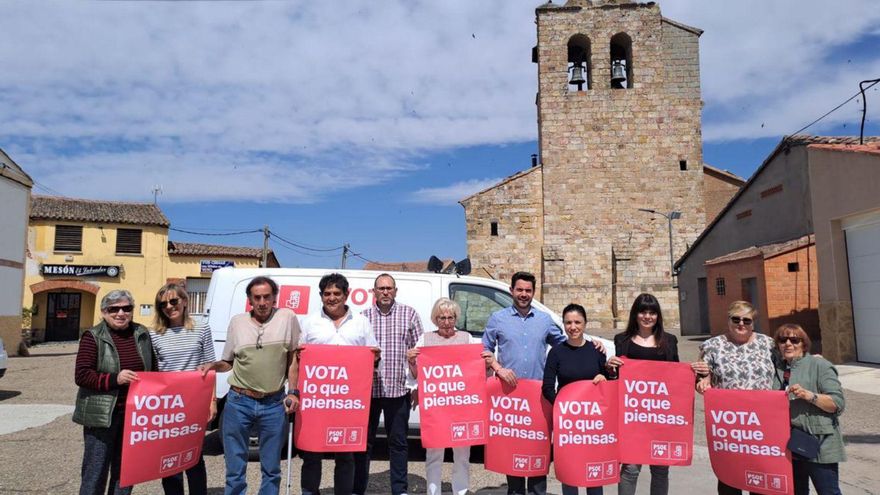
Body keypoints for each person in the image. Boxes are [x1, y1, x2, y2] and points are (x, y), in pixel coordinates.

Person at [483, 271, 604, 495]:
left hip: (538, 397)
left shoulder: (544, 320)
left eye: (528, 290)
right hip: (511, 397)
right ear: (511, 291)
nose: (523, 294)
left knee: (538, 453)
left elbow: (567, 343)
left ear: (533, 292)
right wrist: (498, 369)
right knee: (514, 456)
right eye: (519, 290)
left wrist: (592, 344)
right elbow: (484, 351)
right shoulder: (497, 319)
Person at [198, 276, 301, 495]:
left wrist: (293, 392)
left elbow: (293, 358)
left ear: (274, 298)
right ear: (250, 300)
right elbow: (228, 363)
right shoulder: (237, 322)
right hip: (239, 402)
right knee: (235, 468)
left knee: (272, 468)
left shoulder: (288, 317)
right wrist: (213, 365)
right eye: (257, 297)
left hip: (274, 403)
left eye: (267, 297)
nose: (262, 302)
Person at [298, 273, 380, 495]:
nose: (332, 298)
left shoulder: (361, 323)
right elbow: (298, 359)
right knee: (312, 454)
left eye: (336, 293)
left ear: (347, 295)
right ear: (321, 296)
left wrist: (374, 356)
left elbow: (373, 357)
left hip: (348, 403)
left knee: (346, 456)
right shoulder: (309, 323)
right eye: (327, 294)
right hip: (317, 401)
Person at [406, 298, 496, 495]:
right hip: (436, 408)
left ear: (456, 318)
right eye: (442, 318)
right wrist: (412, 361)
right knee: (434, 454)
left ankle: (461, 491)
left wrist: (488, 362)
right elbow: (415, 374)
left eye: (450, 317)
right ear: (435, 319)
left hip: (462, 408)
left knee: (462, 455)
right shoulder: (425, 339)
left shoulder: (468, 339)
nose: (446, 322)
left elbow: (480, 371)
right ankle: (433, 492)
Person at [74, 290, 155, 495]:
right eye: (114, 309)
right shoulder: (93, 336)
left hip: (134, 416)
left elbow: (153, 369)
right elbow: (82, 375)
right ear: (104, 312)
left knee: (125, 472)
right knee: (96, 470)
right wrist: (114, 379)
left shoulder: (142, 333)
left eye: (126, 308)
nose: (121, 313)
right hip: (102, 417)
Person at [694, 300, 775, 495]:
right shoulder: (713, 345)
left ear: (753, 323)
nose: (741, 324)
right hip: (730, 424)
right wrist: (702, 381)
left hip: (762, 423)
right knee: (730, 478)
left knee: (761, 477)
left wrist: (812, 358)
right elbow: (701, 376)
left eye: (747, 320)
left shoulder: (768, 344)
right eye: (736, 319)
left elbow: (789, 365)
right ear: (728, 320)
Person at [355, 273, 424, 495]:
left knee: (399, 444)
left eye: (389, 288)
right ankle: (358, 489)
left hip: (399, 390)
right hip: (368, 391)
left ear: (396, 290)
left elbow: (420, 354)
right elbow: (353, 353)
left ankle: (400, 490)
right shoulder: (362, 318)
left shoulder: (409, 314)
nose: (385, 292)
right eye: (381, 288)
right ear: (373, 291)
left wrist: (417, 386)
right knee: (363, 444)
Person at [606, 294, 678, 495]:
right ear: (635, 315)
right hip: (632, 416)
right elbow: (616, 378)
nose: (647, 316)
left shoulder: (670, 341)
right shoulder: (622, 340)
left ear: (658, 316)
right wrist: (610, 368)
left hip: (661, 415)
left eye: (652, 312)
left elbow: (678, 376)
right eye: (643, 312)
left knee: (661, 468)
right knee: (630, 468)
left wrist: (699, 373)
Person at [149, 283, 216, 495]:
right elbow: (152, 371)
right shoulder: (153, 335)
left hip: (194, 402)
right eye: (163, 304)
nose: (169, 306)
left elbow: (210, 366)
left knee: (194, 456)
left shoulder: (202, 328)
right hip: (167, 406)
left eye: (174, 301)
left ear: (184, 301)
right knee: (168, 461)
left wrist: (212, 401)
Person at [542, 303, 608, 495]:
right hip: (568, 422)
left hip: (593, 422)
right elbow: (547, 387)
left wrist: (604, 378)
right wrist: (563, 408)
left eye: (577, 322)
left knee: (593, 470)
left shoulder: (597, 351)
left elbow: (608, 383)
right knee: (570, 472)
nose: (573, 327)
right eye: (568, 322)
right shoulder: (556, 352)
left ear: (585, 324)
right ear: (563, 325)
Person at [772, 324, 845, 495]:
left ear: (804, 344)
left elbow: (838, 403)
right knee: (796, 491)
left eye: (794, 340)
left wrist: (809, 395)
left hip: (818, 442)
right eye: (783, 340)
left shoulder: (820, 365)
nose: (788, 344)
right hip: (789, 444)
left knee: (828, 491)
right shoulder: (778, 368)